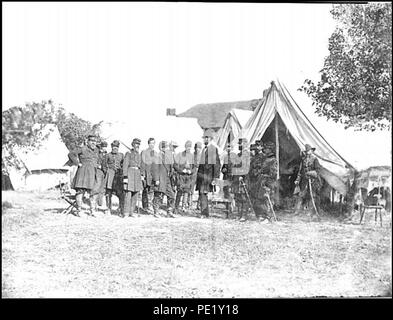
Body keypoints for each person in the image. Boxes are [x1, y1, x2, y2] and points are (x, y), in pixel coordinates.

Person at [68, 135, 100, 215]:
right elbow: (71, 154)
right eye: (91, 141)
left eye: (95, 141)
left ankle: (92, 210)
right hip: (83, 173)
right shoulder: (83, 148)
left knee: (93, 191)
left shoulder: (96, 150)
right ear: (87, 141)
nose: (93, 143)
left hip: (93, 172)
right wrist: (77, 163)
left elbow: (98, 159)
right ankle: (79, 210)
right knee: (80, 191)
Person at [249, 141, 277, 222]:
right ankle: (264, 216)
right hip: (262, 180)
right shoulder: (266, 158)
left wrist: (266, 179)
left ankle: (268, 217)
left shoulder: (272, 159)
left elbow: (273, 173)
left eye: (267, 149)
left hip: (268, 181)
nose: (265, 150)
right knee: (262, 199)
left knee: (267, 198)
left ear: (270, 150)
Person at [196, 129, 221, 218]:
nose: (204, 140)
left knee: (203, 193)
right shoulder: (204, 149)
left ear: (210, 139)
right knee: (202, 193)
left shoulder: (213, 149)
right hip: (202, 177)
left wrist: (215, 178)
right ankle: (205, 213)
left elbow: (217, 164)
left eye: (206, 138)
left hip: (208, 176)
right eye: (204, 138)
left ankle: (204, 213)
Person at [294, 144, 322, 219]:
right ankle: (297, 211)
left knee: (313, 196)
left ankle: (312, 212)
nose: (308, 152)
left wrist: (311, 173)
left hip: (313, 181)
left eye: (309, 151)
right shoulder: (303, 160)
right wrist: (297, 179)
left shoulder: (315, 159)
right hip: (305, 180)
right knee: (301, 195)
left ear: (312, 151)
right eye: (307, 151)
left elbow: (318, 170)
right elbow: (300, 171)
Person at [151, 141, 176, 218]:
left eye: (167, 147)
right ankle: (156, 211)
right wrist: (156, 179)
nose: (167, 148)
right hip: (160, 179)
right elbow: (154, 169)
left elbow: (172, 167)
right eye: (165, 147)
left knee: (171, 195)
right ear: (161, 148)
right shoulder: (157, 156)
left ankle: (169, 211)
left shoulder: (169, 156)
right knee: (158, 195)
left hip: (167, 179)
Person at [123, 138, 143, 217]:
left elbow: (141, 166)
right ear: (132, 145)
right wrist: (125, 176)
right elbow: (125, 165)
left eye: (138, 145)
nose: (137, 146)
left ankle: (132, 212)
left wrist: (141, 175)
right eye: (136, 144)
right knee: (129, 193)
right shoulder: (128, 153)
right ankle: (126, 212)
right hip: (130, 173)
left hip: (137, 174)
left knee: (136, 193)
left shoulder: (139, 155)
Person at [231, 138, 251, 221]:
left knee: (244, 197)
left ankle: (244, 215)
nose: (239, 145)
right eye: (239, 144)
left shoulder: (247, 154)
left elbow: (247, 166)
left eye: (241, 144)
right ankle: (239, 214)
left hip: (243, 178)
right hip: (237, 177)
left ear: (245, 144)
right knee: (238, 197)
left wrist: (242, 175)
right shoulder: (239, 154)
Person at [174, 140, 195, 214]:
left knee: (186, 191)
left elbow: (194, 167)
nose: (188, 148)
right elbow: (175, 165)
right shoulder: (180, 154)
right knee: (179, 191)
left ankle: (183, 207)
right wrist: (182, 170)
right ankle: (176, 207)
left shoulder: (192, 156)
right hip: (181, 176)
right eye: (187, 146)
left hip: (188, 177)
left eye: (190, 147)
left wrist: (191, 171)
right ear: (185, 147)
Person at [104, 140, 124, 215]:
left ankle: (120, 208)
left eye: (116, 147)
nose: (115, 148)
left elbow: (123, 164)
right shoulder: (108, 155)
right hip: (110, 175)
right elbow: (104, 165)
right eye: (113, 147)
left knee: (120, 192)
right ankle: (108, 208)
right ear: (111, 147)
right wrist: (107, 171)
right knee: (108, 192)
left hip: (118, 176)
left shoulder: (121, 155)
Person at [141, 137, 158, 215]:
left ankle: (149, 205)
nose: (152, 145)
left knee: (151, 190)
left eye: (153, 143)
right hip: (146, 173)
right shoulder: (144, 152)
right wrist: (142, 174)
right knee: (145, 190)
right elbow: (142, 164)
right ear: (148, 144)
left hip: (152, 174)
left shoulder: (155, 153)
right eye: (151, 143)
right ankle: (145, 206)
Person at [221, 142, 237, 217]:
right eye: (227, 147)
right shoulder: (226, 157)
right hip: (226, 177)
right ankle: (228, 208)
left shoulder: (234, 156)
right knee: (226, 192)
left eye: (229, 147)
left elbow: (235, 167)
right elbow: (223, 167)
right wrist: (223, 170)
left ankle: (232, 207)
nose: (228, 148)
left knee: (231, 192)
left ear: (232, 148)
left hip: (231, 177)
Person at [92, 141, 108, 212]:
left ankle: (100, 204)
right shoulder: (97, 153)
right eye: (103, 147)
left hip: (104, 172)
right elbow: (94, 161)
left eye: (105, 147)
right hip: (98, 171)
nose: (104, 148)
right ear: (101, 147)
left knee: (102, 189)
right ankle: (93, 205)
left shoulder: (106, 154)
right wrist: (98, 165)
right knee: (96, 188)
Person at [189, 141, 203, 210]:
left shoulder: (202, 156)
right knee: (191, 188)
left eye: (199, 148)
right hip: (193, 173)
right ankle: (189, 203)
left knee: (201, 189)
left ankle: (199, 204)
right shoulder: (192, 155)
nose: (197, 149)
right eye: (196, 148)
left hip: (200, 173)